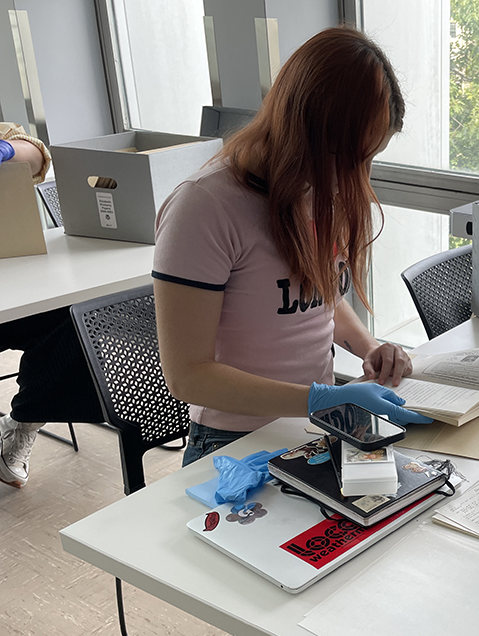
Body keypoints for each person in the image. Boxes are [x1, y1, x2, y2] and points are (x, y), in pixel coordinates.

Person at [153, 26, 431, 470]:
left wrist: (368, 348)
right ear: (307, 131)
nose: (354, 177)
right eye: (349, 157)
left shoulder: (320, 188)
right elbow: (187, 374)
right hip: (233, 441)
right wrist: (320, 398)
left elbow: (321, 297)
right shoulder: (205, 206)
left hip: (312, 425)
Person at [0, 122, 105, 489]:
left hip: (8, 280)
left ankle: (21, 423)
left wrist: (7, 151)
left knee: (80, 317)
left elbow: (38, 154)